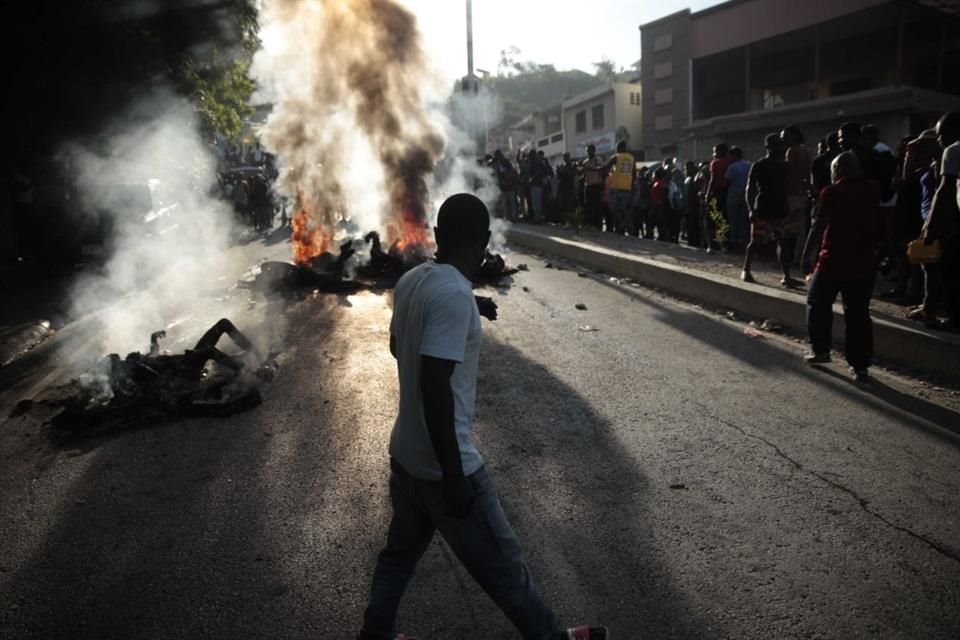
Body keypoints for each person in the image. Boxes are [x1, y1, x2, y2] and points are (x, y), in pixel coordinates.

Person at [358, 193, 608, 640]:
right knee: (504, 568)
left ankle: (374, 636)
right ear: (485, 241)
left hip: (406, 456)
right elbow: (435, 386)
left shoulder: (414, 280)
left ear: (437, 237)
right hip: (443, 467)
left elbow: (401, 347)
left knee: (397, 559)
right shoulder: (453, 295)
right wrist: (454, 476)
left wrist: (468, 306)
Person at [801, 152, 882, 382]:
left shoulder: (832, 192)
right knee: (858, 314)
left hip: (832, 260)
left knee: (817, 303)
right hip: (864, 261)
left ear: (837, 170)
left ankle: (821, 350)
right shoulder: (872, 188)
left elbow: (819, 225)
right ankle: (860, 366)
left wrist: (807, 254)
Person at [920, 112, 960, 330]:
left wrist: (930, 226)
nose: (939, 140)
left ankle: (955, 320)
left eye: (940, 134)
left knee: (950, 270)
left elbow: (944, 190)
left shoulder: (952, 151)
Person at [742, 133, 794, 286]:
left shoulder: (785, 166)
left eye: (780, 144)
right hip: (763, 208)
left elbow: (789, 188)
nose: (779, 147)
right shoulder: (759, 165)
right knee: (756, 241)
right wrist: (751, 209)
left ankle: (786, 275)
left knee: (783, 242)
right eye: (776, 144)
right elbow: (750, 189)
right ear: (768, 147)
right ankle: (746, 269)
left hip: (781, 208)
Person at [782, 125, 813, 267]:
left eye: (785, 136)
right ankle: (799, 257)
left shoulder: (792, 151)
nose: (783, 139)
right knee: (801, 229)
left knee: (786, 228)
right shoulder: (807, 150)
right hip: (803, 193)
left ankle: (786, 258)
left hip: (792, 193)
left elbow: (789, 173)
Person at [704, 143, 731, 252]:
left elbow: (713, 179)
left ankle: (711, 245)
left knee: (711, 219)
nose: (714, 154)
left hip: (716, 193)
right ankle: (724, 245)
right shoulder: (730, 163)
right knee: (723, 220)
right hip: (726, 193)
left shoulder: (715, 163)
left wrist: (707, 194)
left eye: (715, 151)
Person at [724, 146, 751, 251]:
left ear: (734, 156)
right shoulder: (749, 165)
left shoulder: (732, 167)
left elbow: (727, 182)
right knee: (744, 220)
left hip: (734, 194)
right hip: (746, 194)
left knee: (733, 220)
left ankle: (735, 243)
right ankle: (744, 242)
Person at [605, 140, 635, 235]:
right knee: (622, 208)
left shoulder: (616, 157)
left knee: (613, 207)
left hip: (617, 186)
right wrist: (631, 184)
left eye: (617, 148)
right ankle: (622, 227)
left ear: (620, 148)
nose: (616, 150)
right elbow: (634, 173)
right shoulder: (631, 158)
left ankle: (623, 223)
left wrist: (596, 169)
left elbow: (606, 167)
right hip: (627, 187)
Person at [580, 145, 605, 230]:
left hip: (596, 185)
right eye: (587, 151)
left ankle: (597, 225)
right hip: (588, 185)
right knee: (588, 206)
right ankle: (589, 223)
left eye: (590, 151)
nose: (589, 153)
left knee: (597, 206)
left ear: (594, 151)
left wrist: (592, 168)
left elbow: (601, 169)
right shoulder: (585, 162)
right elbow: (583, 174)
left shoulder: (598, 160)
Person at [493, 150, 519, 222]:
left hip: (506, 186)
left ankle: (509, 217)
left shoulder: (499, 164)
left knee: (507, 203)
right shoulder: (504, 163)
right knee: (510, 203)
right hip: (508, 186)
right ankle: (511, 217)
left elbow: (500, 175)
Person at [683, 161, 702, 247]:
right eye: (685, 169)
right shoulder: (687, 179)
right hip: (687, 207)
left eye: (687, 169)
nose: (686, 170)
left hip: (694, 207)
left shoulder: (696, 179)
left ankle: (696, 243)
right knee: (689, 227)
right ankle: (691, 243)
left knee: (695, 227)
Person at [556, 152, 577, 223]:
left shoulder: (573, 165)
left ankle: (571, 221)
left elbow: (572, 176)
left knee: (570, 206)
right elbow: (558, 178)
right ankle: (565, 221)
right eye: (564, 157)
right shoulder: (563, 166)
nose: (565, 158)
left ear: (569, 157)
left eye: (567, 157)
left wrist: (565, 171)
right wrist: (559, 171)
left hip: (569, 188)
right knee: (562, 205)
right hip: (562, 188)